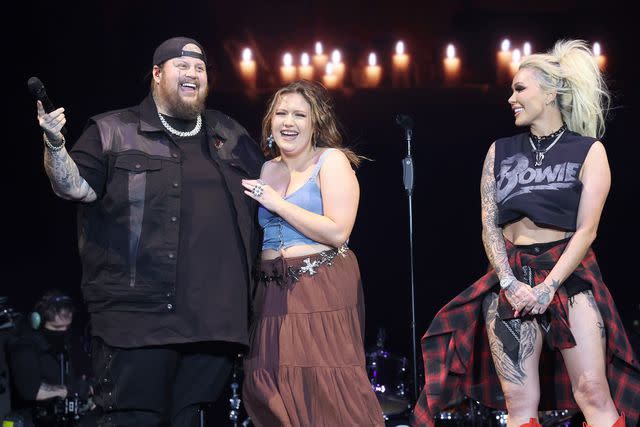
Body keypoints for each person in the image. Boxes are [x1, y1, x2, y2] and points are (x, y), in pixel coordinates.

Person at [34, 36, 264, 426]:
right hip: (136, 320)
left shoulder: (230, 134)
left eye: (200, 68)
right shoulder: (113, 130)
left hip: (214, 323)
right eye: (182, 66)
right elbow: (72, 186)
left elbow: (273, 192)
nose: (193, 73)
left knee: (191, 419)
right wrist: (55, 146)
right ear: (157, 75)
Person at [411, 40, 640, 427]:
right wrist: (507, 280)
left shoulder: (589, 151)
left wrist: (549, 286)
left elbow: (587, 230)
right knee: (518, 402)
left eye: (520, 89)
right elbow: (489, 224)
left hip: (569, 276)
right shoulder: (499, 150)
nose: (511, 98)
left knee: (592, 392)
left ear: (551, 93)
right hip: (511, 276)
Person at [241, 80, 384, 426]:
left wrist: (276, 203)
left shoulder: (331, 161)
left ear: (315, 123)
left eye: (299, 115)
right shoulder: (267, 168)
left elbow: (338, 231)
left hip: (319, 286)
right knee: (269, 385)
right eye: (282, 113)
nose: (288, 122)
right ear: (271, 122)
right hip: (272, 292)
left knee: (324, 387)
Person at [6, 290, 96, 427]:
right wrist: (71, 391)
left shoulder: (71, 340)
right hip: (33, 420)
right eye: (56, 327)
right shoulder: (24, 344)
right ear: (38, 322)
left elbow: (88, 374)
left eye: (67, 326)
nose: (63, 331)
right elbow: (31, 391)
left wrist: (92, 390)